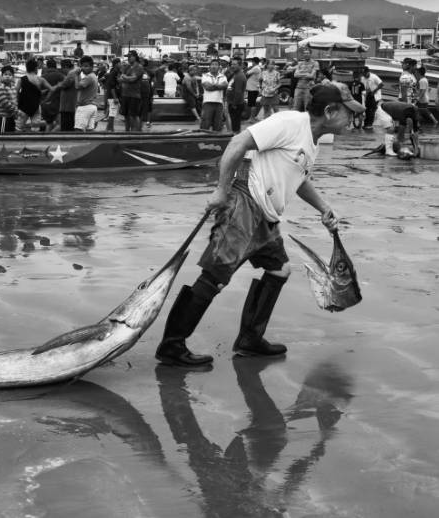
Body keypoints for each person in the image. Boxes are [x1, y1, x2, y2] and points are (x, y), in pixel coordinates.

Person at [155, 83, 362, 367]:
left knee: (280, 270)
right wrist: (221, 190)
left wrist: (324, 208)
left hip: (266, 217)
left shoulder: (312, 142)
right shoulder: (289, 123)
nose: (351, 119)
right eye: (347, 112)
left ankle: (250, 340)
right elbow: (238, 142)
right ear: (329, 111)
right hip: (244, 205)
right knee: (214, 276)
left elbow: (298, 179)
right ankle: (172, 345)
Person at [15, 58, 52, 131]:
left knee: (18, 127)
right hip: (36, 107)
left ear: (26, 68)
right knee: (35, 128)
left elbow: (15, 92)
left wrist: (16, 104)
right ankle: (34, 141)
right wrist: (46, 99)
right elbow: (52, 89)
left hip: (23, 106)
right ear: (36, 68)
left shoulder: (21, 79)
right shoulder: (40, 79)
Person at [119, 51, 145, 132]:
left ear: (135, 57)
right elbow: (120, 79)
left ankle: (136, 132)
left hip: (134, 94)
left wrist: (124, 77)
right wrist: (126, 77)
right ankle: (127, 132)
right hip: (125, 94)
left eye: (130, 56)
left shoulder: (139, 67)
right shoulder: (127, 67)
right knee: (126, 115)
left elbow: (133, 79)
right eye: (128, 56)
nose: (128, 58)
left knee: (133, 115)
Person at [200, 59, 228, 132]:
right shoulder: (205, 75)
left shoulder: (223, 76)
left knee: (218, 124)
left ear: (219, 67)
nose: (214, 66)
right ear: (209, 66)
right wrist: (219, 86)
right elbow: (207, 87)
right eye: (212, 64)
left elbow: (225, 85)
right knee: (205, 124)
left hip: (219, 103)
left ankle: (216, 141)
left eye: (216, 64)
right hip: (207, 102)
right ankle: (203, 139)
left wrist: (213, 85)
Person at [73, 56, 100, 131]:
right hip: (91, 106)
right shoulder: (93, 76)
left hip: (85, 107)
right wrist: (78, 75)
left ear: (91, 67)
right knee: (90, 131)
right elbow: (80, 84)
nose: (83, 68)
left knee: (78, 130)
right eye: (82, 66)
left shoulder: (89, 77)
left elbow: (77, 86)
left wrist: (75, 75)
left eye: (86, 66)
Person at [40, 58, 64, 132]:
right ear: (55, 66)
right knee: (61, 124)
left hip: (45, 104)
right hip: (56, 103)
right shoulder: (60, 76)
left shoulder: (42, 77)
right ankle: (50, 135)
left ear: (47, 66)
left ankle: (46, 139)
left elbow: (39, 91)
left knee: (49, 124)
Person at [0, 64, 18, 133]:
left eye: (10, 75)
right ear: (2, 76)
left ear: (12, 77)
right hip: (2, 117)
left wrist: (15, 111)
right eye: (5, 74)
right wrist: (16, 111)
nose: (7, 76)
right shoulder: (0, 87)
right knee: (2, 135)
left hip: (10, 116)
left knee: (10, 134)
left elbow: (15, 100)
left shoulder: (13, 87)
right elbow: (5, 103)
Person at [227, 58, 247, 133]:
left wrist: (234, 104)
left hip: (236, 104)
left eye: (235, 64)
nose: (232, 66)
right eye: (232, 64)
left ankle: (236, 137)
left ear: (240, 65)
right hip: (232, 102)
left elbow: (238, 91)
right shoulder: (235, 74)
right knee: (234, 123)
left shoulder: (239, 76)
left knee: (236, 124)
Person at [245, 57, 262, 122]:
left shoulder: (256, 68)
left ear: (254, 62)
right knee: (252, 103)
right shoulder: (257, 68)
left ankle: (252, 118)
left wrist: (249, 68)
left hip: (253, 88)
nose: (252, 63)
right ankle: (253, 117)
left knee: (252, 104)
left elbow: (247, 73)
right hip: (253, 88)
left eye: (252, 62)